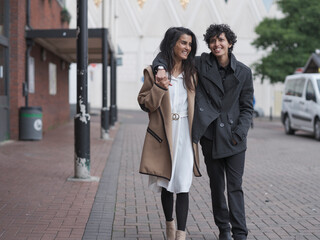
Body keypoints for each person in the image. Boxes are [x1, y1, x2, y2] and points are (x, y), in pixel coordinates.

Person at [153, 24, 253, 240]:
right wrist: (159, 68)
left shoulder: (244, 72)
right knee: (217, 187)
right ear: (209, 44)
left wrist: (240, 133)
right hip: (211, 137)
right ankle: (224, 231)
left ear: (230, 43)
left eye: (221, 40)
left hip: (235, 140)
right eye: (213, 41)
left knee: (235, 187)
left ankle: (240, 233)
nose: (217, 44)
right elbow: (167, 53)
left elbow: (247, 107)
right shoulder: (200, 64)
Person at [137, 27, 201, 240]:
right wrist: (160, 87)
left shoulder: (193, 72)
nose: (187, 47)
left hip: (185, 132)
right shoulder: (154, 72)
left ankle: (181, 235)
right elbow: (145, 104)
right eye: (183, 43)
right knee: (167, 182)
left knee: (183, 184)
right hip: (165, 133)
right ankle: (170, 227)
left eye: (190, 44)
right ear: (172, 43)